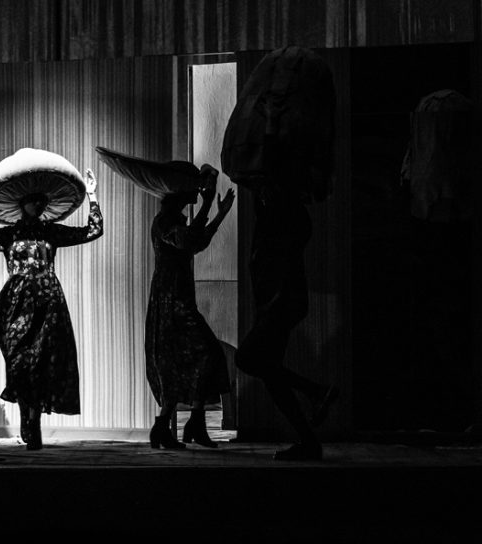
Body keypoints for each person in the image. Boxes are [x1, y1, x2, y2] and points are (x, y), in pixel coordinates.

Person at [0, 166, 102, 451]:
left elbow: (93, 231)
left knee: (41, 363)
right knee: (18, 363)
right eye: (34, 200)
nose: (39, 205)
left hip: (47, 302)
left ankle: (34, 422)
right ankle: (25, 414)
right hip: (16, 303)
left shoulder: (51, 231)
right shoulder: (9, 235)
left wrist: (92, 196)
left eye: (43, 201)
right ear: (23, 203)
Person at [234, 180, 339, 461]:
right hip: (279, 302)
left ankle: (315, 392)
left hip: (280, 303)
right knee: (270, 372)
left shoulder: (284, 217)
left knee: (247, 359)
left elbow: (280, 257)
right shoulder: (281, 215)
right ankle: (309, 438)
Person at [144, 172, 235, 450]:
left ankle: (178, 424)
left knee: (195, 358)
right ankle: (181, 424)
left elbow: (196, 241)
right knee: (194, 356)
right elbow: (187, 241)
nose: (200, 189)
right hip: (171, 301)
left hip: (178, 298)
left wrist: (219, 214)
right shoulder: (164, 222)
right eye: (195, 187)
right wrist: (207, 206)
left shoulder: (174, 222)